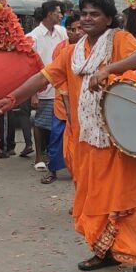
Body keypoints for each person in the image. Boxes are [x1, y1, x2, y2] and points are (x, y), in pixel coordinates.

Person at [0, 0, 136, 272]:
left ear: (109, 19)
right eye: (83, 13)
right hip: (86, 139)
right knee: (93, 199)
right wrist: (12, 96)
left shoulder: (119, 40)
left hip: (120, 140)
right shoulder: (73, 51)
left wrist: (108, 69)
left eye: (94, 14)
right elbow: (44, 77)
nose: (86, 18)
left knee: (132, 201)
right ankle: (104, 251)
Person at [41, 13, 82, 184]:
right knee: (57, 136)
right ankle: (53, 170)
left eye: (80, 28)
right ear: (67, 30)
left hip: (82, 102)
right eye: (72, 29)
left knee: (80, 140)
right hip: (61, 101)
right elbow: (56, 74)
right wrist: (66, 98)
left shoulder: (91, 48)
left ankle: (79, 172)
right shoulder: (60, 48)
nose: (77, 32)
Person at [27, 0, 67, 172]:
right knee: (40, 123)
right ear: (50, 14)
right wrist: (33, 93)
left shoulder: (61, 31)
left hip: (60, 86)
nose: (61, 15)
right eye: (58, 12)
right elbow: (28, 67)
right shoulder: (32, 37)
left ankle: (54, 156)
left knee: (58, 124)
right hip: (42, 86)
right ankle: (38, 156)